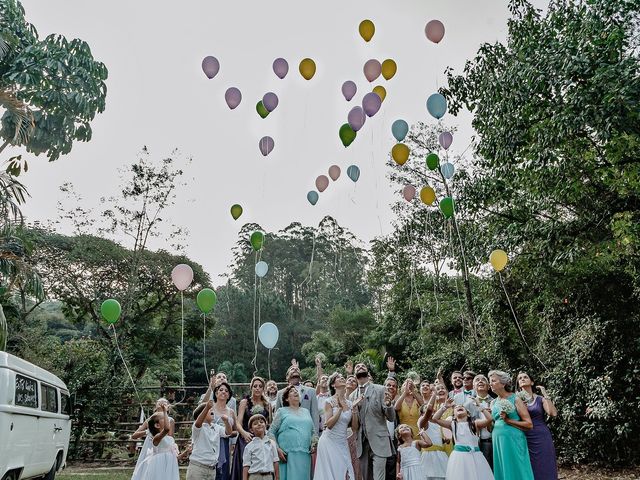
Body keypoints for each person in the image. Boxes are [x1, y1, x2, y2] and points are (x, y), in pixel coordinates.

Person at [349, 362, 396, 480]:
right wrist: (354, 409)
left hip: (379, 441)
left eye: (363, 366)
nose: (360, 367)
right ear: (354, 374)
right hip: (362, 443)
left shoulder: (380, 389)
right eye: (357, 367)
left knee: (379, 477)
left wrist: (389, 405)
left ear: (367, 372)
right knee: (366, 477)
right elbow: (354, 427)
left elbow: (391, 418)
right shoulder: (352, 396)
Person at [314, 372, 362, 479]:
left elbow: (354, 428)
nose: (342, 378)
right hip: (329, 441)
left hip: (342, 442)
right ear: (333, 385)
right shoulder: (328, 401)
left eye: (342, 377)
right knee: (331, 474)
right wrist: (340, 409)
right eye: (338, 378)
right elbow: (328, 424)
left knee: (346, 471)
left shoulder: (349, 403)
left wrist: (353, 409)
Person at [432, 399, 494, 480]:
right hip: (459, 457)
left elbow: (489, 419)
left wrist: (481, 407)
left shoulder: (475, 424)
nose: (459, 407)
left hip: (476, 456)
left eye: (462, 407)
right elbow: (435, 419)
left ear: (468, 414)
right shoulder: (452, 424)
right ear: (454, 415)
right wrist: (445, 407)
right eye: (456, 407)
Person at [489, 370, 534, 480]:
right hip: (498, 441)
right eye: (490, 381)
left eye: (493, 381)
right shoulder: (493, 403)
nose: (490, 384)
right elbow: (493, 423)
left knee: (518, 467)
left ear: (503, 383)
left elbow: (529, 424)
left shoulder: (515, 399)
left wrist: (509, 421)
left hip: (513, 439)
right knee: (503, 468)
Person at [269, 385, 316, 480]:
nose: (295, 392)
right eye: (291, 391)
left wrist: (314, 443)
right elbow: (271, 432)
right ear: (286, 399)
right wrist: (277, 449)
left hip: (304, 455)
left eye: (296, 391)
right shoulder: (281, 411)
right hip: (287, 456)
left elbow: (313, 432)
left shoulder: (306, 411)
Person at [517, 372, 558, 480]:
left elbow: (553, 413)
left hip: (541, 436)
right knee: (527, 465)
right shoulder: (515, 399)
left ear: (532, 382)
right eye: (520, 378)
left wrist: (545, 394)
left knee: (544, 463)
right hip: (523, 436)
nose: (522, 379)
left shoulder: (540, 399)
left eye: (525, 377)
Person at [231, 377, 272, 480]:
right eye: (255, 386)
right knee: (245, 467)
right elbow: (238, 422)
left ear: (263, 388)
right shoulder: (244, 402)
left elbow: (269, 423)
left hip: (262, 438)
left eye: (260, 386)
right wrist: (244, 433)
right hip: (246, 439)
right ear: (251, 388)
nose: (257, 388)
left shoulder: (267, 404)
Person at [187, 399, 233, 480]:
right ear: (202, 414)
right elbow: (198, 423)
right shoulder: (198, 428)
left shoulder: (216, 427)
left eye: (212, 410)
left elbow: (228, 433)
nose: (212, 411)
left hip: (212, 470)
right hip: (198, 468)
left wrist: (226, 421)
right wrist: (207, 407)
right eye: (209, 410)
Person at [131, 398, 175, 480]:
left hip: (162, 446)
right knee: (147, 467)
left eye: (165, 402)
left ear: (168, 407)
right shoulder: (149, 420)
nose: (162, 403)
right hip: (149, 447)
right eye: (159, 402)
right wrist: (147, 432)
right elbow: (134, 436)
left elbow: (170, 436)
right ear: (155, 406)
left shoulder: (170, 420)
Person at [275, 360, 319, 434]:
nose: (295, 369)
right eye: (292, 369)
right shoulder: (280, 393)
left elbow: (314, 414)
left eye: (297, 369)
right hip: (287, 432)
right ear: (287, 376)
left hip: (306, 431)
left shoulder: (311, 391)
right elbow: (277, 416)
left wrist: (315, 435)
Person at [417, 389, 449, 480]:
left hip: (441, 454)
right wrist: (434, 395)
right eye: (425, 407)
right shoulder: (422, 422)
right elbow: (429, 410)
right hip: (429, 455)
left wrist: (444, 440)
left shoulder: (437, 423)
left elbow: (436, 436)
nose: (431, 408)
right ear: (422, 413)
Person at [212, 382, 237, 480]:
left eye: (226, 391)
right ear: (216, 393)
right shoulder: (210, 408)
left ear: (229, 395)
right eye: (221, 390)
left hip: (225, 443)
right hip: (211, 443)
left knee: (224, 471)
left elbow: (235, 431)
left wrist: (227, 433)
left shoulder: (231, 411)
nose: (223, 392)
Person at [242, 414, 279, 480]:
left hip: (269, 476)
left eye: (261, 422)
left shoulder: (272, 443)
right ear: (251, 430)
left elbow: (275, 461)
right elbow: (246, 466)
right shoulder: (249, 446)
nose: (259, 424)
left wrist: (277, 478)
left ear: (265, 426)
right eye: (255, 424)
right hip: (254, 476)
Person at [473, 374, 494, 469]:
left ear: (489, 386)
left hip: (494, 441)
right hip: (477, 443)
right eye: (477, 380)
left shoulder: (495, 401)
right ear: (473, 386)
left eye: (483, 380)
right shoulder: (467, 404)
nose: (480, 381)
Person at [384, 376, 400, 480]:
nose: (391, 387)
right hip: (379, 440)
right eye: (388, 385)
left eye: (394, 386)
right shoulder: (377, 400)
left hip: (393, 441)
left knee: (391, 471)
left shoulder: (399, 403)